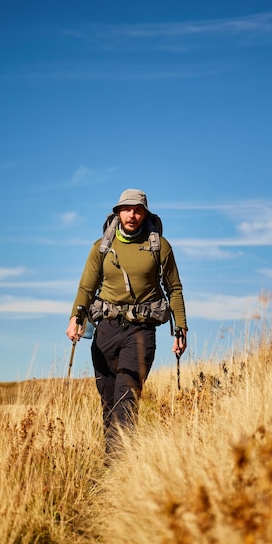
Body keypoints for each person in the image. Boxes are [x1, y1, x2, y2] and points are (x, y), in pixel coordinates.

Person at [66, 189, 187, 458]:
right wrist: (76, 318)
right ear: (117, 212)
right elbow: (86, 287)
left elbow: (174, 289)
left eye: (138, 210)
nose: (132, 215)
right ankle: (112, 456)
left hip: (141, 331)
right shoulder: (102, 247)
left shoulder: (160, 246)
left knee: (126, 397)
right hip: (106, 331)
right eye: (127, 209)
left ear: (145, 214)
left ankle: (119, 463)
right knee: (108, 399)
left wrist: (180, 329)